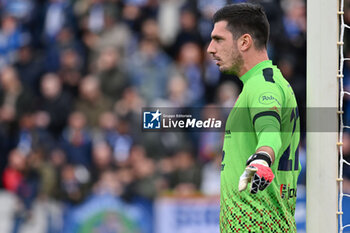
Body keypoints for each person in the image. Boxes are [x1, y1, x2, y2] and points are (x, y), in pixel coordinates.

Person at [207, 3, 300, 232]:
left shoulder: (262, 86)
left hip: (259, 225)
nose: (210, 48)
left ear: (244, 42)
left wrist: (261, 158)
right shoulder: (259, 83)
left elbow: (269, 131)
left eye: (219, 39)